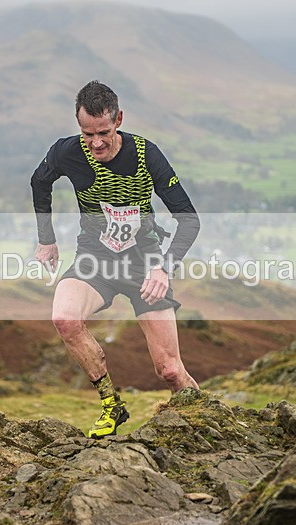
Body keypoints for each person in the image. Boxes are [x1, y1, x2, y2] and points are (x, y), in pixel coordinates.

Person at [31, 80, 200, 438]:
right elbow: (39, 181)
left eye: (103, 132)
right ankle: (112, 404)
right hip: (96, 262)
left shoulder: (146, 154)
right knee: (64, 319)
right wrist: (47, 240)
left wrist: (164, 268)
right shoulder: (67, 152)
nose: (95, 143)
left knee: (170, 371)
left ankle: (205, 420)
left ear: (118, 119)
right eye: (87, 133)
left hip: (145, 266)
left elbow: (189, 218)